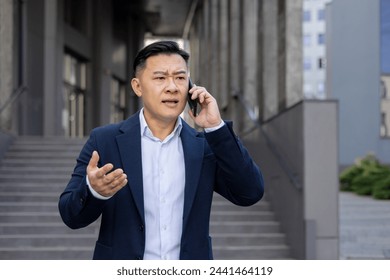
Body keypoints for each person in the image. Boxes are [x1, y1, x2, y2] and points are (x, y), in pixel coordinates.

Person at [58, 40, 264, 260]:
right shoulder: (105, 141)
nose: (172, 87)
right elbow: (71, 215)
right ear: (138, 86)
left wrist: (215, 126)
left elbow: (249, 193)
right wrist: (94, 190)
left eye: (180, 77)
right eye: (160, 78)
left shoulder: (203, 146)